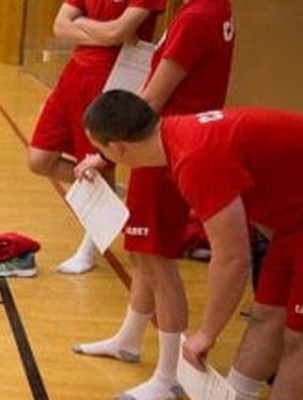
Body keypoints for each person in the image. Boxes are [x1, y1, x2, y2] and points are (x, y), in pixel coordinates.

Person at [82, 90, 301, 400]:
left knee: (298, 341)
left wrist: (206, 334)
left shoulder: (195, 157)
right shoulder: (178, 135)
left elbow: (233, 259)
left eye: (100, 149)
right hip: (293, 226)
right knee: (268, 316)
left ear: (118, 147)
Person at [69, 1, 237, 398]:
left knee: (158, 259)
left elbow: (152, 99)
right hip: (166, 143)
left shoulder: (196, 17)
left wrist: (107, 149)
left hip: (163, 148)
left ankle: (169, 377)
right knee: (143, 252)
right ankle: (129, 339)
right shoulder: (213, 8)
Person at [22, 0, 166, 276]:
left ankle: (89, 250)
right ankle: (111, 195)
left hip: (112, 78)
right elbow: (60, 27)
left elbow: (117, 33)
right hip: (74, 76)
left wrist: (83, 26)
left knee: (99, 165)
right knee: (39, 159)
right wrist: (104, 31)